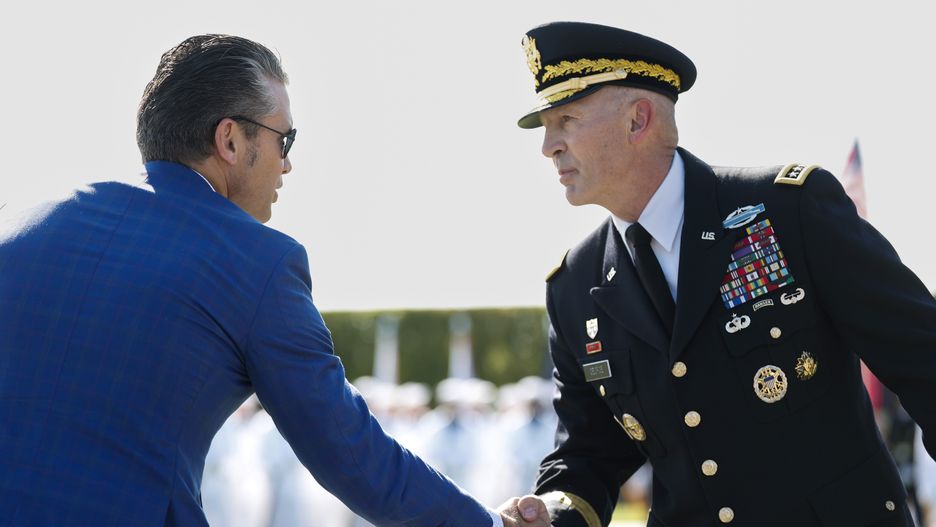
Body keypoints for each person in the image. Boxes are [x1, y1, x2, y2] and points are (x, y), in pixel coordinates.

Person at [0, 34, 547, 527]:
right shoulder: (256, 261)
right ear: (230, 140)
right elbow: (351, 454)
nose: (287, 165)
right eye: (285, 139)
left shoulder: (21, 228)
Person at [515, 21, 936, 526]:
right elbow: (587, 454)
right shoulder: (574, 287)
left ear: (638, 120)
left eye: (566, 119)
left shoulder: (788, 211)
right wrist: (548, 510)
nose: (549, 146)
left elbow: (923, 358)